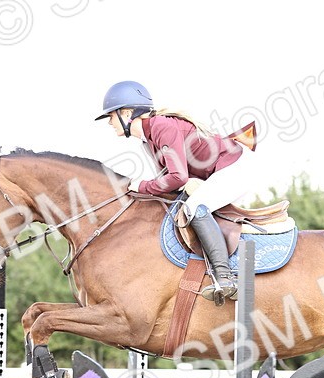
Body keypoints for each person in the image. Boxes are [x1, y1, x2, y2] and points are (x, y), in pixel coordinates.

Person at [96, 80, 259, 303]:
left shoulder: (162, 127)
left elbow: (177, 178)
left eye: (111, 116)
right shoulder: (148, 139)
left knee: (194, 207)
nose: (109, 123)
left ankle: (225, 278)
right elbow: (170, 180)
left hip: (236, 167)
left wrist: (141, 185)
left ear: (127, 113)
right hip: (219, 171)